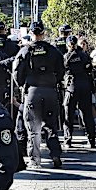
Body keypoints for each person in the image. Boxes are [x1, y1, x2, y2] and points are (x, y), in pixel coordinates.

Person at [12, 21, 64, 169]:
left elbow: (17, 71)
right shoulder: (53, 51)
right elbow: (62, 69)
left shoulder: (25, 51)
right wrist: (55, 81)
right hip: (50, 90)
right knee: (51, 126)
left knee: (33, 129)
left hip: (33, 91)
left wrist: (23, 85)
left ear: (31, 33)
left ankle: (35, 160)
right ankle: (55, 154)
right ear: (43, 33)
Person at [62, 35, 96, 148]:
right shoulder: (84, 55)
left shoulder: (66, 57)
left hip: (71, 87)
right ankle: (91, 139)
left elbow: (63, 70)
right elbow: (89, 68)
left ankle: (68, 140)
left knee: (69, 114)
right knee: (87, 114)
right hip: (85, 86)